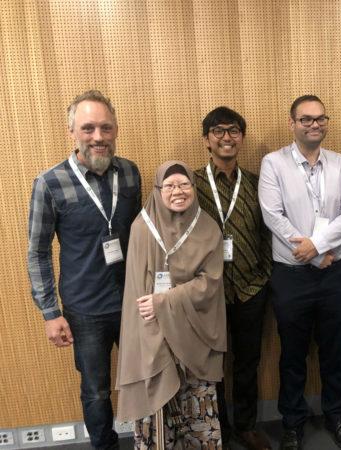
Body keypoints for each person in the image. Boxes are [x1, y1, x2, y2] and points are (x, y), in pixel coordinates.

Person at [27, 90, 141, 450]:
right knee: (95, 390)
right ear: (71, 131)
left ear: (116, 129)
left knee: (142, 378)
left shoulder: (130, 172)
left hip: (133, 301)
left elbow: (140, 235)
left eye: (105, 128)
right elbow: (37, 252)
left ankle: (148, 441)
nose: (98, 137)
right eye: (88, 128)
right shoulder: (49, 184)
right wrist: (50, 313)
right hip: (85, 309)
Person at [258, 95, 341, 450]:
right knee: (293, 353)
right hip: (292, 274)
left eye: (320, 119)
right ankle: (292, 423)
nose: (314, 125)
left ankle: (338, 416)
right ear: (292, 123)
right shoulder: (273, 164)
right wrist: (312, 255)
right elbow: (272, 215)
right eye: (306, 119)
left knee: (335, 351)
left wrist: (317, 246)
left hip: (337, 273)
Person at [115, 161, 227, 450]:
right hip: (155, 334)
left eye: (184, 184)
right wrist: (157, 327)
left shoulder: (208, 227)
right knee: (160, 407)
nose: (178, 191)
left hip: (195, 331)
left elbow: (210, 283)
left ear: (193, 187)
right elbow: (138, 296)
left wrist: (164, 302)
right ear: (157, 190)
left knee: (197, 409)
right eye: (169, 185)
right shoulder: (142, 228)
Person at [194, 107, 272, 450]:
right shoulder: (191, 183)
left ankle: (245, 425)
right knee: (211, 363)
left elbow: (270, 231)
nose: (226, 137)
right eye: (218, 131)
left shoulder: (256, 182)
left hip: (251, 288)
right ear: (207, 139)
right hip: (207, 291)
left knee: (247, 361)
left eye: (234, 130)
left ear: (241, 136)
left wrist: (265, 272)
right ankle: (217, 427)